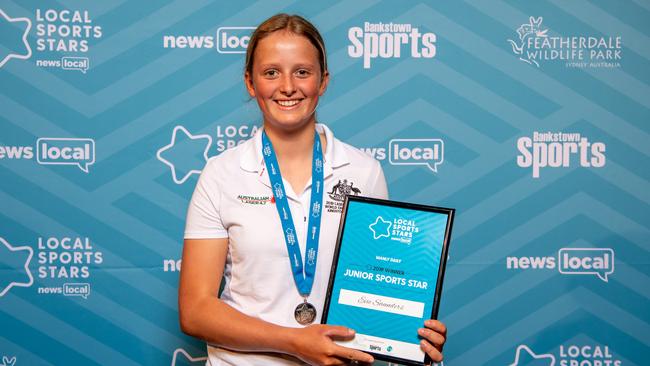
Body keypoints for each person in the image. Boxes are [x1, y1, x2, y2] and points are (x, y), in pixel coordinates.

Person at [179, 13, 447, 366]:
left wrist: (410, 334)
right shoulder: (221, 174)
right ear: (250, 82)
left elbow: (379, 289)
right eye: (271, 72)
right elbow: (195, 311)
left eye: (302, 72)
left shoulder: (365, 172)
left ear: (323, 81)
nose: (287, 86)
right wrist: (294, 342)